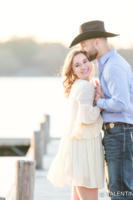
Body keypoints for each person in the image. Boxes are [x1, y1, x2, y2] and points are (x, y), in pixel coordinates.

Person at [69, 20, 133, 200]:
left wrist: (100, 101)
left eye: (84, 45)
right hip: (117, 133)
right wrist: (101, 98)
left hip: (122, 132)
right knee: (117, 192)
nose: (84, 50)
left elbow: (121, 104)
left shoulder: (113, 66)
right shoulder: (106, 64)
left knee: (120, 194)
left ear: (96, 42)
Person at [47, 49, 105, 200]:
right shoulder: (86, 86)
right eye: (77, 65)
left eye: (85, 61)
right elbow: (87, 116)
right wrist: (99, 101)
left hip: (78, 145)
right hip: (84, 148)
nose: (84, 66)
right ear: (72, 70)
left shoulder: (79, 84)